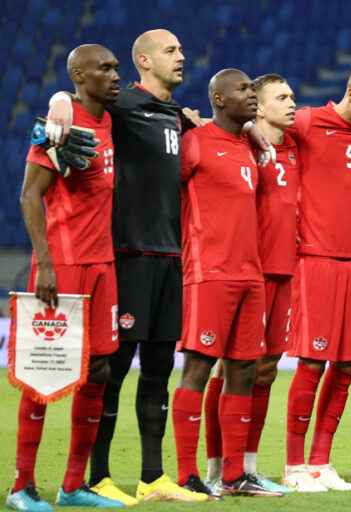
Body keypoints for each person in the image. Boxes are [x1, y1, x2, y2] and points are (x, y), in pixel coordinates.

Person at [45, 29, 205, 503]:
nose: (182, 56)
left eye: (181, 48)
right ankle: (96, 476)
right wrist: (58, 97)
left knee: (158, 370)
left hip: (169, 257)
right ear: (145, 61)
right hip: (127, 256)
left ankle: (154, 477)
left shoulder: (176, 115)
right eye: (171, 51)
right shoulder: (122, 105)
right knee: (109, 372)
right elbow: (78, 99)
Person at [8, 44, 124, 511]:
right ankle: (21, 487)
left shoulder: (108, 119)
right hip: (65, 264)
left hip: (103, 264)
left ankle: (73, 485)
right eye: (105, 68)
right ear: (79, 75)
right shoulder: (58, 126)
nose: (115, 75)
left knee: (99, 371)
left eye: (117, 67)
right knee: (42, 375)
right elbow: (29, 196)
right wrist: (47, 263)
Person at [279, 63, 351, 492]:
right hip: (314, 260)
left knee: (345, 366)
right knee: (312, 363)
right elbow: (262, 132)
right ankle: (292, 465)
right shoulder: (308, 121)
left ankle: (320, 463)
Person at [170, 68, 282, 498]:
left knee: (243, 371)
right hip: (208, 273)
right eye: (242, 90)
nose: (251, 96)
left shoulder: (249, 147)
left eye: (254, 90)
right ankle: (186, 474)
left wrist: (252, 131)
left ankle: (234, 475)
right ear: (218, 98)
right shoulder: (195, 143)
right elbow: (169, 194)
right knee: (198, 368)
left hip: (249, 275)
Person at [203, 73, 297, 494]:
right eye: (282, 97)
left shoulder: (297, 146)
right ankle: (215, 467)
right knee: (226, 368)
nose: (292, 103)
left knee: (266, 371)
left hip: (284, 271)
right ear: (258, 107)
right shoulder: (237, 144)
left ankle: (248, 466)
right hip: (242, 270)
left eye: (292, 96)